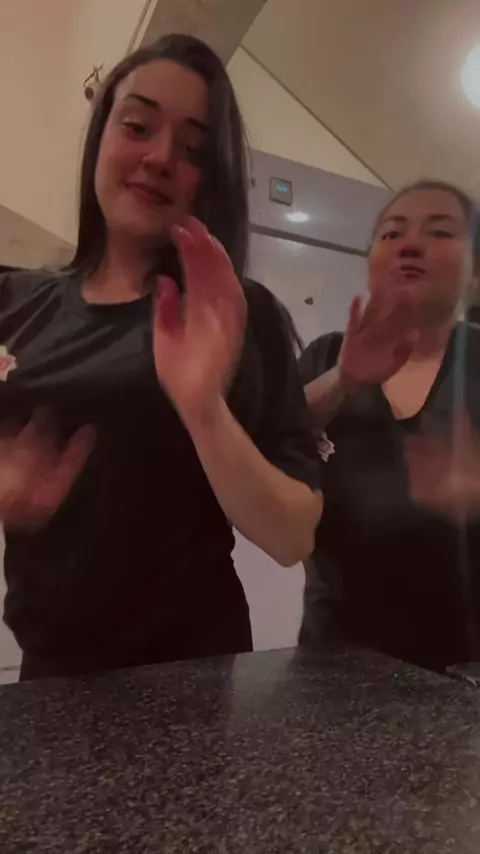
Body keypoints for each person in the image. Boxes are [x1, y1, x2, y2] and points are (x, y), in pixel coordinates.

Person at [0, 34, 323, 680]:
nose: (160, 157)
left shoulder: (237, 313)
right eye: (138, 126)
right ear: (101, 135)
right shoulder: (13, 301)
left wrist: (203, 409)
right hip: (47, 673)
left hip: (188, 678)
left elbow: (292, 535)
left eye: (194, 149)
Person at [298, 179, 480, 672]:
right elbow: (267, 446)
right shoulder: (325, 357)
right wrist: (342, 381)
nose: (410, 244)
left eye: (440, 232)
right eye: (392, 233)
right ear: (370, 263)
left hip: (464, 678)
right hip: (331, 670)